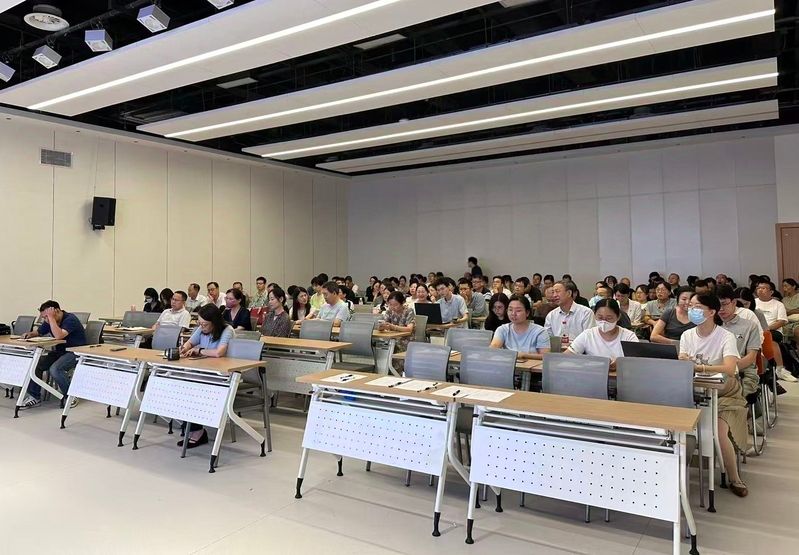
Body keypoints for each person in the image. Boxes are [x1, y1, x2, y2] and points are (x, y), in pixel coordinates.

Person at [679, 293, 747, 497]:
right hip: (695, 389)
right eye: (690, 306)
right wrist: (685, 361)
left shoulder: (725, 336)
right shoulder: (687, 335)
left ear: (711, 312)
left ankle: (734, 478)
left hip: (725, 393)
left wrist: (699, 367)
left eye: (697, 307)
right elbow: (683, 361)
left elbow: (729, 368)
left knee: (718, 431)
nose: (692, 310)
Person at [178, 304, 235, 448]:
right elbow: (190, 342)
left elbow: (219, 352)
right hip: (205, 372)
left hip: (222, 375)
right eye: (200, 323)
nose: (202, 327)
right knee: (182, 385)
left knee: (192, 389)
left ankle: (196, 431)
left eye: (205, 324)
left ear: (214, 322)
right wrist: (184, 348)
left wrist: (199, 350)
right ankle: (190, 427)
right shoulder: (201, 328)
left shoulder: (227, 330)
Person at [19, 301, 87, 409]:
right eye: (44, 317)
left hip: (75, 352)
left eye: (47, 316)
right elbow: (40, 332)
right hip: (60, 351)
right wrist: (30, 334)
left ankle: (70, 396)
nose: (46, 320)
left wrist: (51, 318)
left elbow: (59, 335)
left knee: (55, 369)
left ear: (57, 311)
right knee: (35, 365)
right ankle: (34, 397)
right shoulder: (49, 320)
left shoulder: (70, 319)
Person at [566, 299, 638, 370]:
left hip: (621, 376)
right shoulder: (588, 335)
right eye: (600, 318)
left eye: (609, 318)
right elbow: (566, 356)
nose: (604, 322)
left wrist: (621, 363)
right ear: (594, 315)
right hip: (594, 374)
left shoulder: (628, 336)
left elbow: (638, 361)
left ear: (618, 317)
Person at [718, 286, 762, 398]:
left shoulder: (749, 326)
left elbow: (751, 357)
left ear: (734, 303)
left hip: (743, 372)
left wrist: (727, 369)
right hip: (714, 372)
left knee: (731, 395)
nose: (721, 309)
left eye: (724, 304)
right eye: (717, 305)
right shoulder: (710, 325)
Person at [754, 280, 794, 382]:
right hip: (756, 330)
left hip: (773, 330)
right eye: (758, 288)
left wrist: (766, 328)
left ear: (771, 292)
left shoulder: (778, 304)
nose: (760, 290)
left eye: (763, 288)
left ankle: (780, 369)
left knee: (769, 337)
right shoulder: (753, 302)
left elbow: (781, 321)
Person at [490, 295, 550, 360]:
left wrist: (524, 355)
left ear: (527, 313)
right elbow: (493, 349)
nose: (513, 313)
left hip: (532, 366)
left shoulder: (540, 331)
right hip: (509, 365)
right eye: (510, 310)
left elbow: (545, 356)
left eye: (518, 310)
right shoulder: (502, 329)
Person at [544, 281, 595, 345]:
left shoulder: (586, 313)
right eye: (553, 292)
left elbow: (589, 339)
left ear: (569, 293)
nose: (554, 295)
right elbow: (547, 339)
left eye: (557, 291)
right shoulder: (551, 315)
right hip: (557, 349)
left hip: (579, 350)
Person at [379, 291, 416, 371]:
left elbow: (409, 329)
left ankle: (396, 372)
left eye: (396, 305)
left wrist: (393, 327)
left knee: (395, 348)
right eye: (390, 304)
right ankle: (384, 371)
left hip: (405, 340)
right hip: (391, 339)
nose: (393, 307)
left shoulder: (409, 311)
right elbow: (385, 323)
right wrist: (382, 327)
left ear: (402, 303)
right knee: (380, 347)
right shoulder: (389, 311)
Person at [780, 278, 799, 343]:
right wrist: (794, 310)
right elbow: (782, 313)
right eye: (783, 286)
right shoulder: (784, 300)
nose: (784, 288)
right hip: (787, 322)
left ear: (793, 286)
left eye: (786, 286)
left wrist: (789, 312)